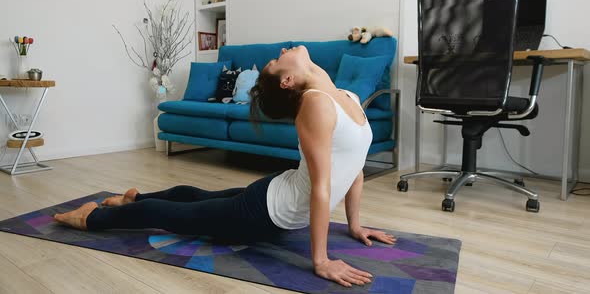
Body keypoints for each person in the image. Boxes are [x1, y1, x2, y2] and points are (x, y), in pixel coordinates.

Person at [53, 45, 395, 288]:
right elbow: (322, 186)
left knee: (195, 197)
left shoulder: (344, 97)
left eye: (276, 58)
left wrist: (355, 225)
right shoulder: (314, 103)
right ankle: (92, 218)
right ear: (287, 81)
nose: (282, 52)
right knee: (174, 214)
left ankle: (133, 199)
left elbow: (355, 170)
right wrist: (320, 261)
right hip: (268, 208)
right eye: (277, 60)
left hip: (274, 203)